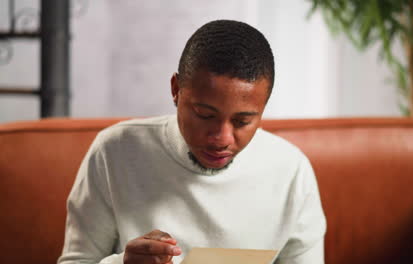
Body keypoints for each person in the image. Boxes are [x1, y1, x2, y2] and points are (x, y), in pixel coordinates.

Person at [58, 19, 326, 264]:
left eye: (242, 121)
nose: (221, 139)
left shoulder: (292, 171)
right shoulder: (115, 151)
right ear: (176, 90)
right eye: (205, 115)